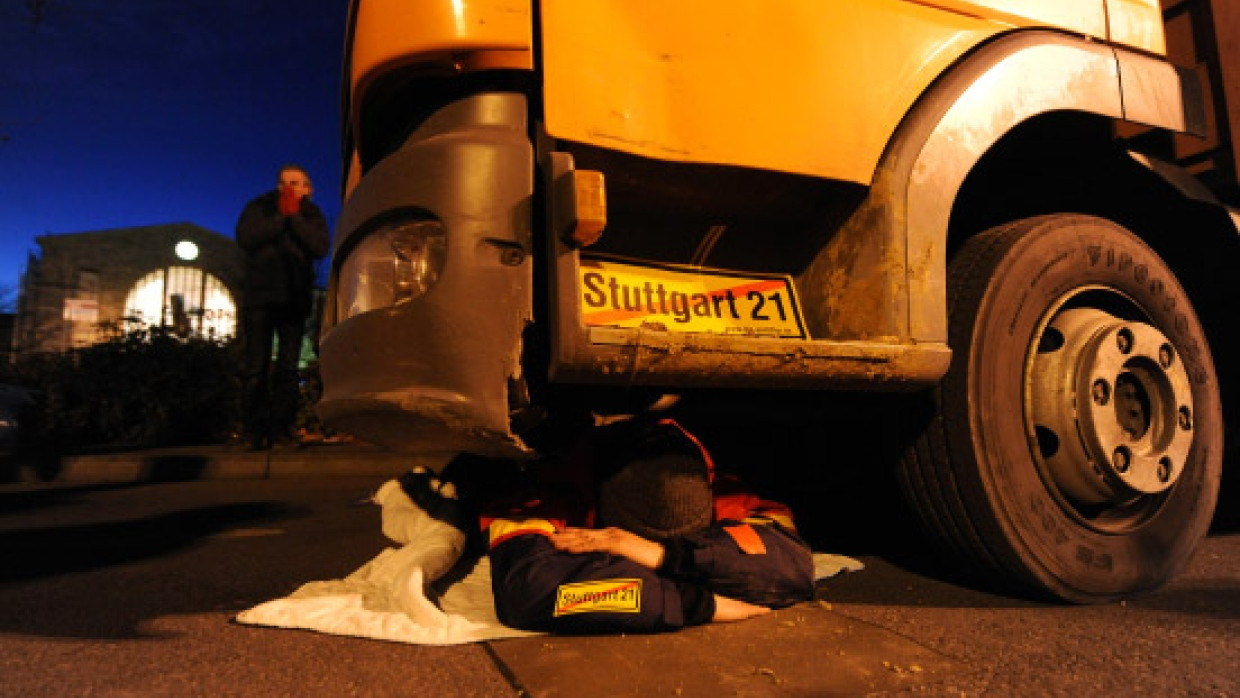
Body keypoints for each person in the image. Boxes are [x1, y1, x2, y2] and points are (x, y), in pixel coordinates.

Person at [478, 416, 815, 633]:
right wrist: (694, 602)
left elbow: (792, 568)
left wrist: (663, 555)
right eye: (642, 536)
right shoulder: (546, 496)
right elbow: (529, 590)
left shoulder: (719, 492)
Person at [235, 164, 331, 449]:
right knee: (256, 366)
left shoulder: (312, 215)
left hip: (294, 297)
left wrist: (296, 218)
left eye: (296, 183)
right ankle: (253, 431)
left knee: (288, 368)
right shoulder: (259, 207)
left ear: (308, 189)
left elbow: (319, 247)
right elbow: (247, 237)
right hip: (260, 297)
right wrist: (281, 217)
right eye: (284, 182)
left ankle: (281, 430)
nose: (289, 188)